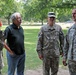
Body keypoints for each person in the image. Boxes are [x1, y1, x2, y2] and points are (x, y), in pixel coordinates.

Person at [63, 9, 76, 75]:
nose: (73, 15)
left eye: (75, 13)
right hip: (71, 60)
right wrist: (64, 57)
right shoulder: (70, 29)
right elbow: (66, 45)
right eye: (72, 13)